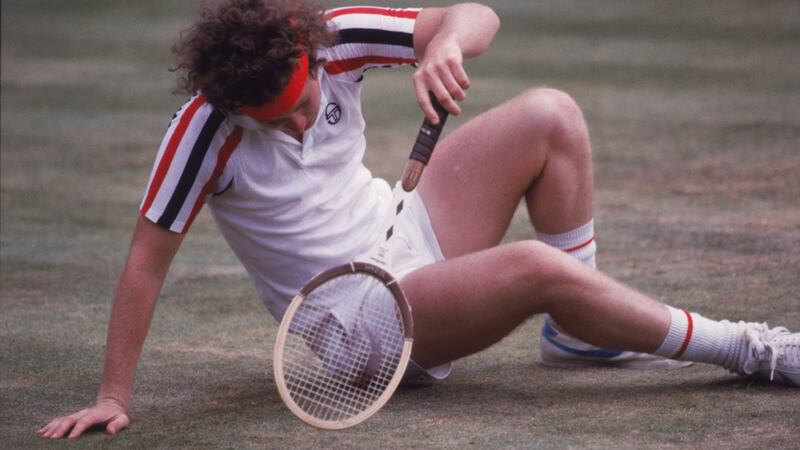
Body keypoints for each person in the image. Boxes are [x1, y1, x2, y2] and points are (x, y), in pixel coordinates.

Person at [39, 0, 798, 440]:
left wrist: (445, 46)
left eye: (303, 106)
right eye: (275, 123)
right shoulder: (201, 132)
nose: (301, 127)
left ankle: (581, 339)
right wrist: (115, 396)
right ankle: (749, 350)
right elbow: (145, 259)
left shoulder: (335, 35)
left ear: (308, 52)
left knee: (549, 115)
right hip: (355, 318)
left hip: (401, 229)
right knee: (534, 268)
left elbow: (477, 13)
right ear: (233, 106)